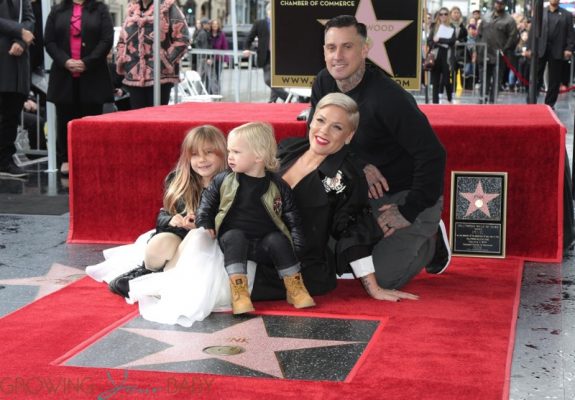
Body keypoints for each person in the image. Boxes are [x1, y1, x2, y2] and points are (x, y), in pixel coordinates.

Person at [308, 15, 450, 291]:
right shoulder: (324, 82)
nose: (337, 55)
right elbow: (316, 139)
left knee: (383, 278)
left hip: (405, 195)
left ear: (364, 50)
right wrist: (357, 163)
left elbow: (433, 155)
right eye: (330, 47)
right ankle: (383, 236)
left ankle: (430, 239)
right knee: (329, 261)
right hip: (359, 195)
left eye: (347, 47)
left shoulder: (388, 97)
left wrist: (409, 211)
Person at [251, 93, 419, 303]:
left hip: (296, 270)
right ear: (311, 120)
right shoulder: (287, 149)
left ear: (349, 136)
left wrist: (374, 288)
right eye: (321, 120)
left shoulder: (345, 178)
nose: (324, 131)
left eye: (337, 127)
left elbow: (353, 229)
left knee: (217, 283)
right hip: (251, 247)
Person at [195, 122, 315, 314]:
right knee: (235, 235)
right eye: (229, 151)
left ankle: (295, 287)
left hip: (263, 245)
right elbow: (207, 201)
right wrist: (205, 221)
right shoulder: (224, 179)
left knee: (277, 239)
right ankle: (239, 292)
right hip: (233, 242)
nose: (230, 157)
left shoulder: (278, 185)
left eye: (236, 152)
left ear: (258, 156)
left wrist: (298, 245)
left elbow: (292, 216)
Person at [106, 125, 228, 299]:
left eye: (209, 152)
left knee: (197, 238)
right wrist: (172, 220)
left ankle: (163, 281)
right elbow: (162, 215)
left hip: (210, 244)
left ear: (222, 153)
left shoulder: (231, 184)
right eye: (194, 154)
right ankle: (148, 271)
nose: (201, 159)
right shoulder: (179, 180)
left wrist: (202, 224)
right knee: (159, 243)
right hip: (178, 236)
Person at [44, 0, 114, 175]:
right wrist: (65, 61)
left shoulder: (101, 10)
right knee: (64, 119)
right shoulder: (57, 11)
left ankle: (91, 157)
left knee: (91, 120)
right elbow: (49, 41)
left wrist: (86, 62)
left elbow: (106, 40)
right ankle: (65, 158)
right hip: (64, 74)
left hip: (92, 74)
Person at [115, 0, 190, 109]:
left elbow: (183, 39)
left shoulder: (168, 8)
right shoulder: (132, 9)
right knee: (138, 119)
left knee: (157, 119)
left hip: (160, 76)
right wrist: (122, 58)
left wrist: (166, 61)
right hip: (134, 76)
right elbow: (122, 39)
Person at [0, 0, 35, 178]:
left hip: (18, 65)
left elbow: (30, 20)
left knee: (11, 116)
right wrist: (19, 32)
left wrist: (21, 41)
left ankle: (5, 160)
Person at [525, 0, 575, 109]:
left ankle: (549, 105)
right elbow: (532, 31)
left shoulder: (566, 15)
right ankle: (531, 101)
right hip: (540, 49)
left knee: (554, 79)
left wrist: (569, 48)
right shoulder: (540, 12)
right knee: (536, 76)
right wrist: (529, 47)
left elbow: (571, 34)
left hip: (557, 49)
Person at [243, 2, 288, 103]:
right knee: (268, 79)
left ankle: (272, 102)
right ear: (268, 11)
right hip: (266, 55)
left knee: (277, 80)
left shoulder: (280, 22)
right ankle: (287, 97)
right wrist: (246, 48)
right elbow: (249, 37)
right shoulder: (259, 23)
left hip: (279, 56)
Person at [477, 0, 518, 103]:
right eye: (497, 2)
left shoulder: (509, 20)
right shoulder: (486, 17)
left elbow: (513, 38)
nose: (499, 5)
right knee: (483, 79)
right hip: (484, 53)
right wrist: (477, 49)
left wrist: (504, 50)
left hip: (499, 55)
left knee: (496, 79)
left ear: (504, 5)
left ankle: (492, 101)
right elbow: (479, 34)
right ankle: (482, 99)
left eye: (501, 3)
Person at [427, 7, 456, 103]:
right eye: (441, 14)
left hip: (446, 56)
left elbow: (452, 41)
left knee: (447, 80)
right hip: (436, 55)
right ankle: (435, 103)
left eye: (445, 14)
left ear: (448, 15)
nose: (443, 16)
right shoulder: (434, 26)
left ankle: (449, 98)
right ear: (438, 16)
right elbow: (430, 41)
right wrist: (435, 42)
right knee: (435, 81)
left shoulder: (451, 26)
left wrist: (439, 40)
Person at [208, 19, 229, 95]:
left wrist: (226, 59)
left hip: (218, 59)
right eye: (213, 24)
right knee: (210, 76)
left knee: (217, 76)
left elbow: (225, 46)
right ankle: (210, 91)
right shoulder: (208, 34)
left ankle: (217, 92)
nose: (215, 26)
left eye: (216, 24)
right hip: (210, 58)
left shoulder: (222, 34)